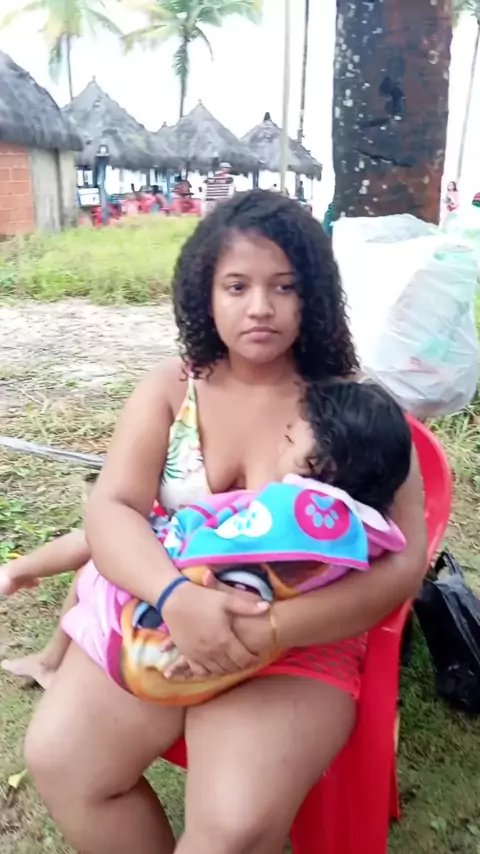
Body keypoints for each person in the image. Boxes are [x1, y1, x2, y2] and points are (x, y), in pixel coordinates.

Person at [23, 190, 426, 854]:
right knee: (63, 761)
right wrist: (175, 598)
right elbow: (112, 508)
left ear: (314, 295)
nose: (260, 306)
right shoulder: (172, 387)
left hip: (299, 640)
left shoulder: (355, 408)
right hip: (163, 620)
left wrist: (271, 629)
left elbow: (405, 561)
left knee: (231, 831)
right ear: (205, 294)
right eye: (237, 286)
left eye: (284, 286)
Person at [1, 379, 411, 705]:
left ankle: (18, 576)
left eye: (289, 442)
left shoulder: (299, 514)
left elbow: (226, 564)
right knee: (104, 544)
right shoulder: (348, 529)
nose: (280, 444)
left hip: (170, 630)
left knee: (100, 553)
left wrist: (176, 556)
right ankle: (34, 616)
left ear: (323, 463)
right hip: (198, 626)